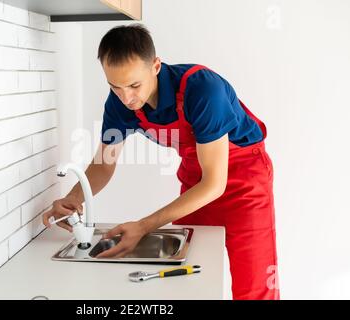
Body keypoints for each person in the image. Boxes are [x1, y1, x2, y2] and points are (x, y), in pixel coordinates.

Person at [43, 24, 279, 300]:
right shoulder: (119, 103)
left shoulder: (204, 90)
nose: (127, 98)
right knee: (190, 274)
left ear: (155, 66)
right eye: (115, 86)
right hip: (195, 179)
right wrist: (75, 196)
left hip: (245, 181)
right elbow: (104, 163)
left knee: (254, 286)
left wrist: (143, 225)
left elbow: (215, 183)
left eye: (134, 85)